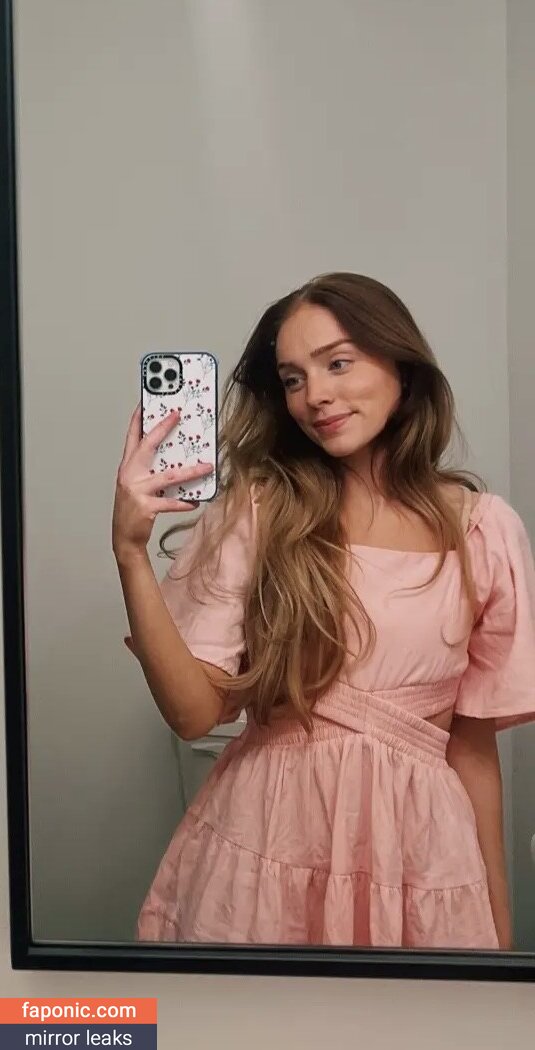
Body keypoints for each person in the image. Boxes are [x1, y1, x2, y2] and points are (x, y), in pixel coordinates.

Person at [112, 272, 535, 950]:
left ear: (401, 366)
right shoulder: (260, 511)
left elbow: (473, 748)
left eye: (337, 363)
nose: (314, 396)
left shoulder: (483, 531)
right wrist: (130, 553)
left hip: (419, 855)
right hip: (267, 839)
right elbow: (194, 713)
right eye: (292, 379)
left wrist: (499, 933)